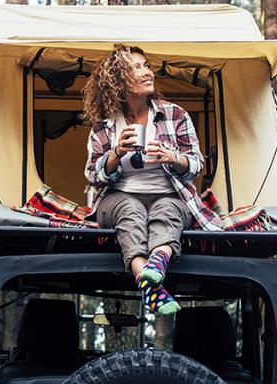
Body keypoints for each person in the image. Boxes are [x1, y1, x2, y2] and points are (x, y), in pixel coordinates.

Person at [83, 44, 223, 315]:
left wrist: (172, 157)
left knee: (167, 210)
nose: (147, 72)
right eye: (136, 68)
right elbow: (93, 174)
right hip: (118, 197)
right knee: (130, 210)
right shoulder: (104, 126)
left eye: (146, 65)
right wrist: (116, 153)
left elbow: (196, 164)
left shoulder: (175, 114)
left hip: (171, 194)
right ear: (118, 81)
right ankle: (148, 284)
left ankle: (155, 267)